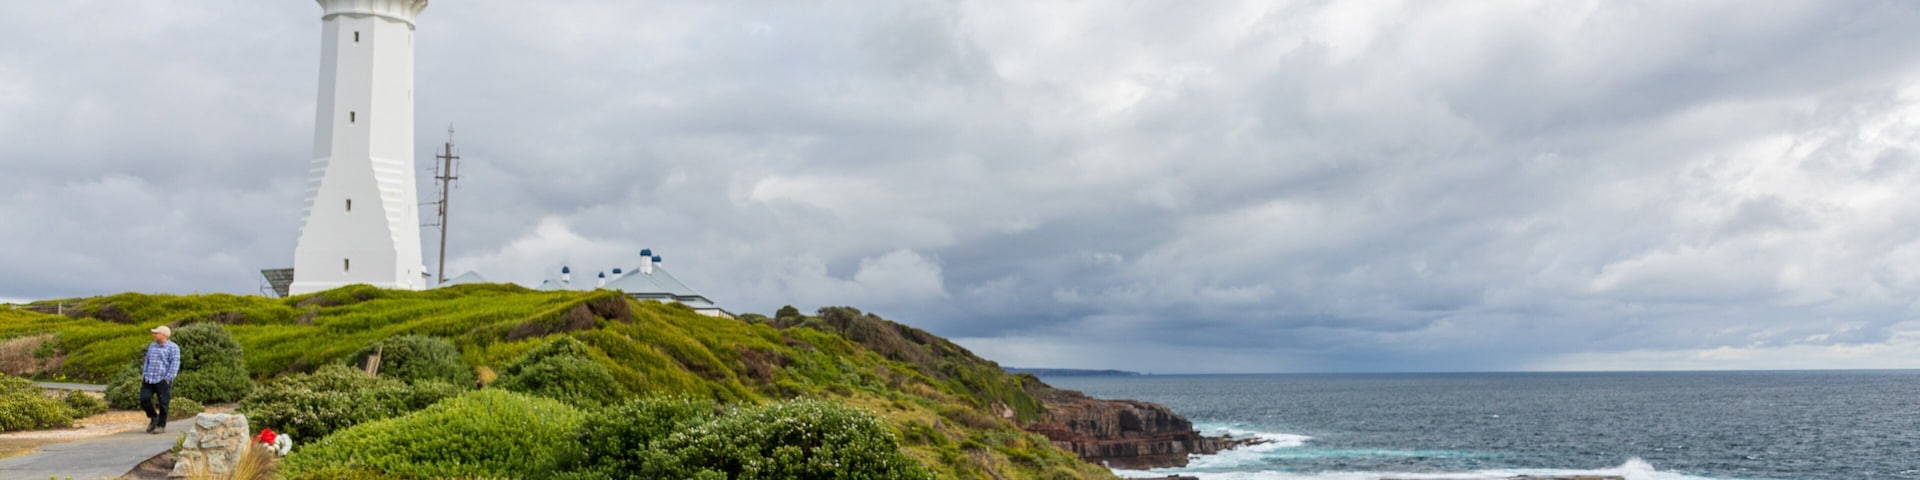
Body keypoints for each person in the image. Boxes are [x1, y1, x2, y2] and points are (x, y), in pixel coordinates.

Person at [140, 325, 181, 434]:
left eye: (156, 333)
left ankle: (161, 425)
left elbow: (175, 364)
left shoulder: (173, 347)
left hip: (162, 379)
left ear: (163, 335)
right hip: (149, 379)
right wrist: (144, 374)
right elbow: (147, 361)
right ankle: (154, 417)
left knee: (163, 403)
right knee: (144, 398)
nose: (154, 335)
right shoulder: (152, 346)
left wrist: (168, 378)